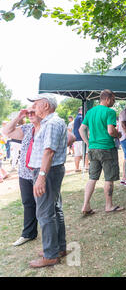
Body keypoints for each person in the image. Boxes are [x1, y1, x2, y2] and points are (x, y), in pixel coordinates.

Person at [2, 108, 75, 247]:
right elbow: (6, 131)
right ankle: (28, 233)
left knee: (50, 207)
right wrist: (19, 116)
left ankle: (55, 244)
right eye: (28, 113)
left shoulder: (49, 126)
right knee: (28, 203)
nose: (30, 115)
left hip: (43, 172)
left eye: (33, 112)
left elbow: (71, 138)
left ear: (41, 113)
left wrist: (54, 150)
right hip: (25, 172)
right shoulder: (27, 128)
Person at [25, 94, 68, 268]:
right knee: (54, 209)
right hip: (51, 171)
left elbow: (49, 152)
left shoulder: (51, 123)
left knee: (44, 213)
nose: (33, 107)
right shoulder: (52, 122)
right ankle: (59, 248)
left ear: (46, 106)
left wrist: (41, 177)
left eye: (36, 104)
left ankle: (51, 255)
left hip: (48, 172)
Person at [79, 89, 124, 216]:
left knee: (92, 178)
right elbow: (111, 131)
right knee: (109, 178)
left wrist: (88, 143)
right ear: (107, 99)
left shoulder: (90, 112)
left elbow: (81, 129)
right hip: (107, 148)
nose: (113, 103)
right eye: (113, 100)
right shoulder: (110, 112)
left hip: (93, 149)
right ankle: (109, 205)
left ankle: (86, 205)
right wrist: (118, 134)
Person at [73, 107, 87, 172]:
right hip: (81, 138)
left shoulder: (76, 117)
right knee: (86, 152)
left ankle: (77, 168)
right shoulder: (81, 117)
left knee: (77, 154)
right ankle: (87, 166)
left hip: (76, 138)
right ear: (81, 110)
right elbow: (83, 126)